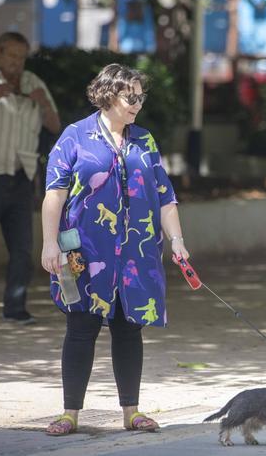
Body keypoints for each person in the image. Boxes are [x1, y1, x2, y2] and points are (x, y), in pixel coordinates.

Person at [40, 64, 189, 436]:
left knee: (129, 329)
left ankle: (131, 412)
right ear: (108, 96)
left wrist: (178, 241)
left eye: (141, 97)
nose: (137, 104)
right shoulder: (75, 136)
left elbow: (165, 197)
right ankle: (70, 413)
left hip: (136, 253)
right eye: (130, 97)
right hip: (81, 251)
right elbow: (54, 194)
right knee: (80, 327)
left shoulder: (145, 140)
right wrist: (48, 242)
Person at [0, 32, 61, 326]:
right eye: (11, 56)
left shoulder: (34, 83)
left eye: (21, 57)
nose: (16, 63)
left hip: (21, 176)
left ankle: (15, 307)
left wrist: (43, 103)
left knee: (22, 246)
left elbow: (55, 125)